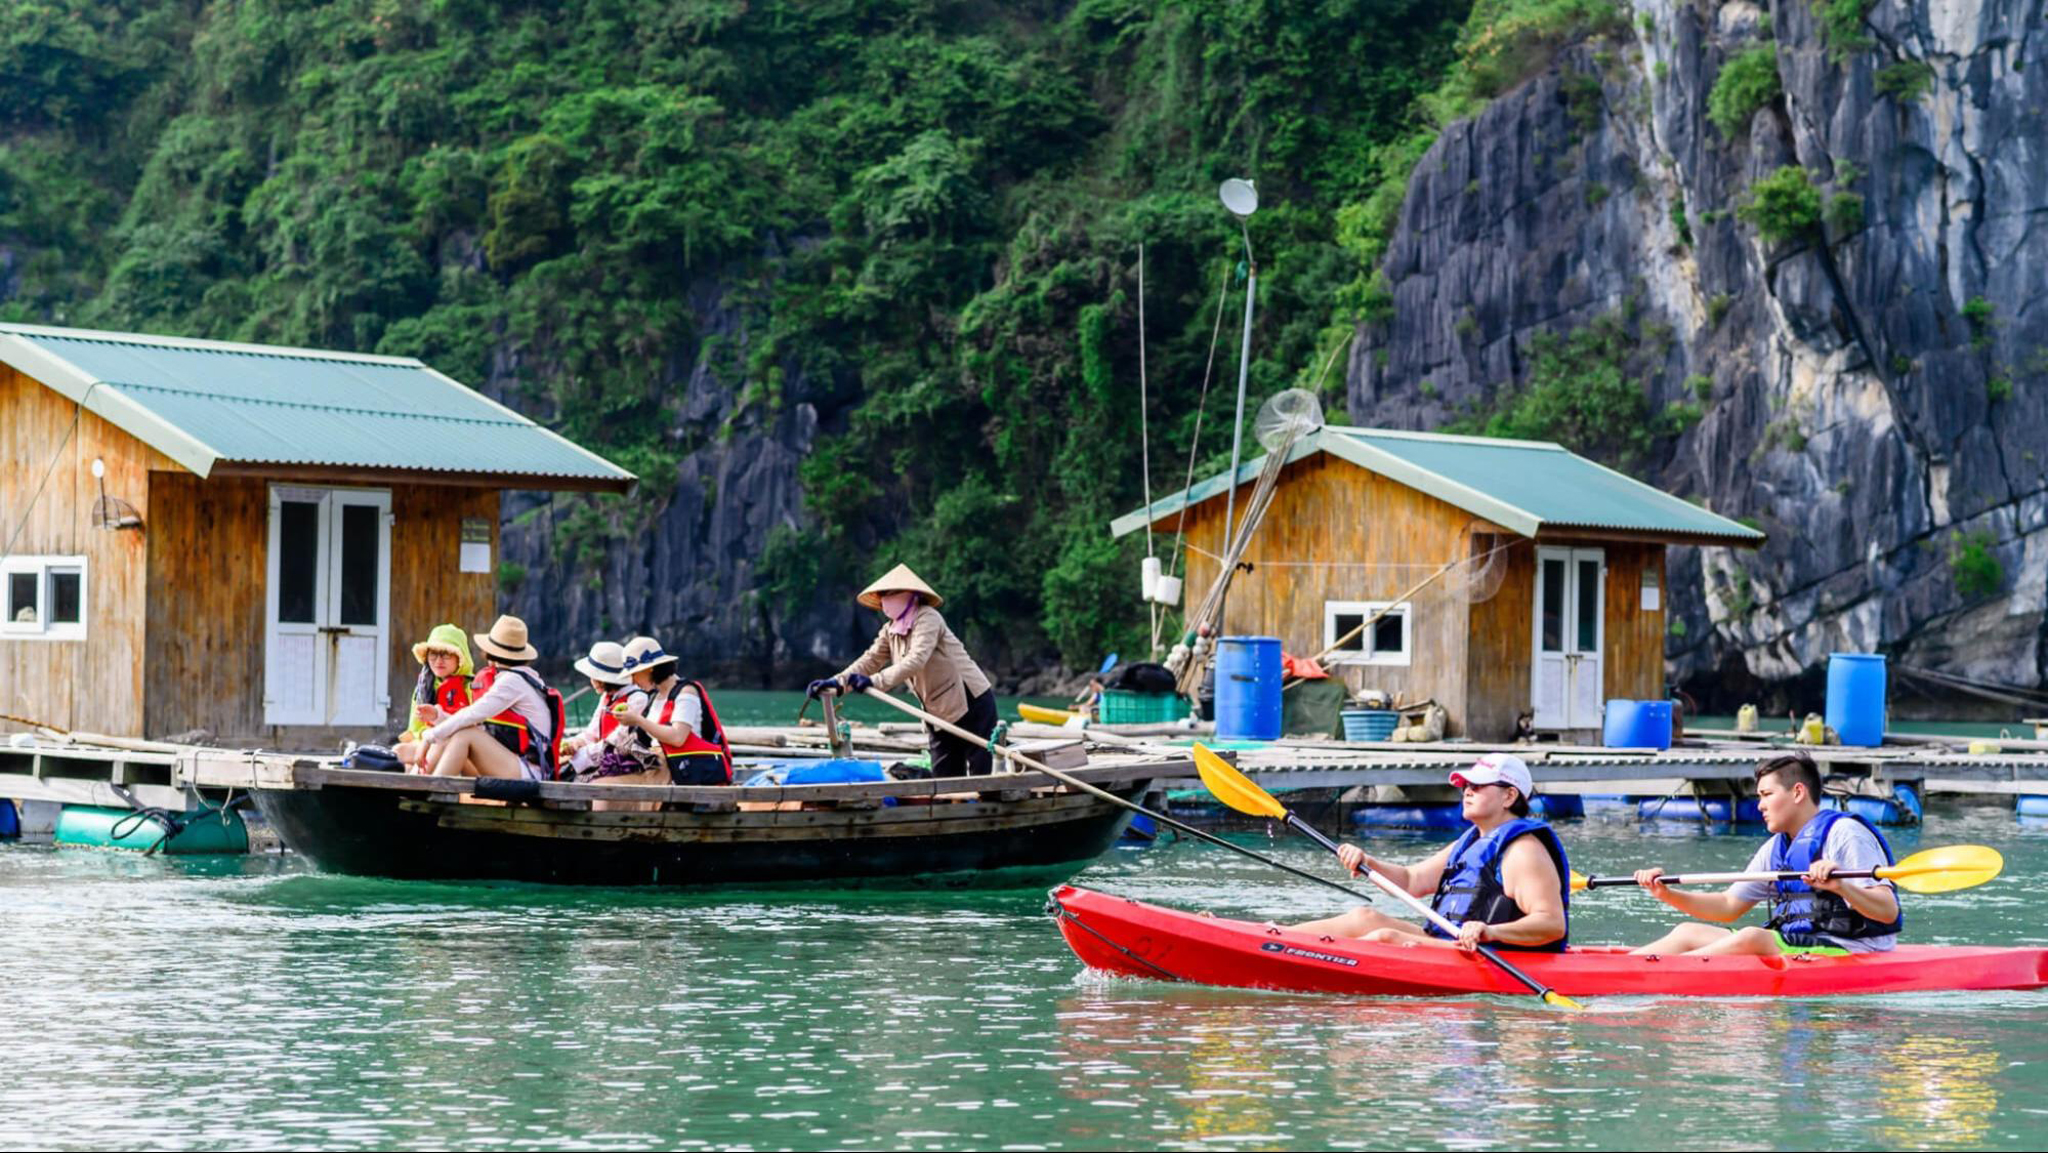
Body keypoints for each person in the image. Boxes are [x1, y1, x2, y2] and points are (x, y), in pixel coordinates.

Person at [1292, 753, 1570, 952]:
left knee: (1387, 937)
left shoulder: (1523, 852)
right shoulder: (1469, 842)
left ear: (1509, 796)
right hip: (1449, 942)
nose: (1467, 791)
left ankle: (1304, 960)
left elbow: (1552, 923)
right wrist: (1367, 861)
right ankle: (1277, 938)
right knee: (1364, 917)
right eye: (1466, 786)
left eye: (1477, 785)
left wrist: (1491, 931)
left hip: (1488, 954)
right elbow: (1411, 880)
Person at [1631, 751, 1901, 956]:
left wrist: (1842, 886)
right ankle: (1626, 967)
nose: (1760, 805)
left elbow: (1888, 911)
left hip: (1854, 947)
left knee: (1752, 937)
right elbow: (1728, 906)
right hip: (1799, 943)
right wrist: (1666, 893)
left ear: (1798, 792)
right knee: (1687, 931)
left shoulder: (1845, 833)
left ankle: (1656, 974)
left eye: (1767, 794)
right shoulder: (1776, 847)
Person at [808, 564, 999, 777]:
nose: (885, 601)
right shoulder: (890, 630)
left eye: (890, 594)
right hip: (937, 710)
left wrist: (874, 682)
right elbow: (870, 659)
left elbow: (916, 660)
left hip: (969, 700)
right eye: (883, 596)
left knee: (980, 773)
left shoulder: (928, 618)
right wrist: (837, 683)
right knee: (945, 777)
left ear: (910, 594)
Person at [421, 615, 563, 782]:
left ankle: (434, 789)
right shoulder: (518, 678)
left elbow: (472, 715)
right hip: (517, 764)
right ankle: (420, 785)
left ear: (491, 653)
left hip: (530, 772)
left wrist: (428, 738)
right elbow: (475, 723)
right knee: (452, 736)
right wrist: (438, 717)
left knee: (465, 735)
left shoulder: (512, 682)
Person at [610, 635, 734, 786]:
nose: (632, 681)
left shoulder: (687, 692)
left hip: (685, 775)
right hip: (661, 769)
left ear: (650, 669)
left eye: (634, 674)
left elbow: (677, 737)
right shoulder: (654, 697)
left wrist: (638, 720)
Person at [558, 640, 653, 781]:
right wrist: (576, 743)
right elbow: (592, 733)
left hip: (626, 765)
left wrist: (579, 755)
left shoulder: (637, 698)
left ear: (600, 680)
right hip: (603, 759)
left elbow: (618, 740)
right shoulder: (607, 697)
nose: (591, 680)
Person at [395, 624, 473, 773]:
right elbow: (415, 729)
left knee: (429, 753)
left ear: (460, 658)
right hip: (426, 742)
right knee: (398, 751)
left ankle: (416, 780)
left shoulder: (471, 687)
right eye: (433, 654)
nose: (438, 661)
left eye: (446, 654)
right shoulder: (423, 686)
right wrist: (424, 740)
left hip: (456, 747)